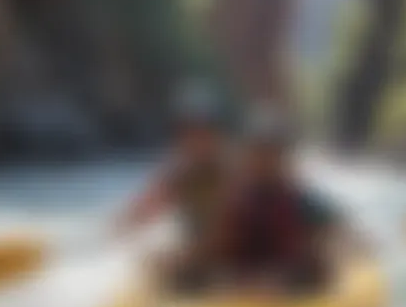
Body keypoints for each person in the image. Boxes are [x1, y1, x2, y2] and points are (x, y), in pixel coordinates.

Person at [208, 111, 353, 296]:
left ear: (284, 159)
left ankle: (271, 287)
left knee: (316, 260)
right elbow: (218, 245)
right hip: (244, 277)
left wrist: (338, 251)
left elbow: (334, 230)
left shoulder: (300, 198)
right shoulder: (236, 199)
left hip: (288, 275)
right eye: (257, 155)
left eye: (271, 155)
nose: (263, 162)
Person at [114, 93, 231, 292]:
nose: (196, 143)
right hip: (201, 254)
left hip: (234, 255)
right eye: (189, 135)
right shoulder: (179, 173)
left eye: (203, 134)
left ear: (217, 136)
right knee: (155, 265)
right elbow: (146, 207)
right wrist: (125, 224)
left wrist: (193, 255)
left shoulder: (234, 171)